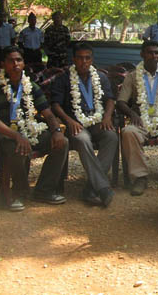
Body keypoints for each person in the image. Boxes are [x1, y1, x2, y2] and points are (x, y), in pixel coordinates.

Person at [0, 46, 68, 211]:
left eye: (19, 60)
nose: (15, 64)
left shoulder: (31, 85)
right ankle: (18, 191)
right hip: (5, 135)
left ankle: (44, 190)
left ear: (23, 63)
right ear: (3, 64)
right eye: (11, 61)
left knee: (62, 142)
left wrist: (57, 131)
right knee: (18, 148)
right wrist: (16, 136)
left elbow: (48, 114)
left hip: (29, 130)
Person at [51, 42, 117, 207]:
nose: (84, 62)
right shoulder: (63, 79)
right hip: (75, 124)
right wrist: (69, 120)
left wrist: (107, 117)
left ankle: (91, 187)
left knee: (111, 136)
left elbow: (110, 99)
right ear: (74, 59)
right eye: (80, 58)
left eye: (87, 58)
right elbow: (55, 105)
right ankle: (102, 187)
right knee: (82, 140)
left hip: (97, 121)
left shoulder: (100, 77)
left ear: (92, 59)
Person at [116, 40, 158, 196]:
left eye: (156, 53)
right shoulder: (132, 76)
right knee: (128, 132)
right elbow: (121, 102)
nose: (154, 56)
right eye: (150, 53)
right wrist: (132, 114)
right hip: (140, 120)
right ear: (142, 54)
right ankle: (140, 177)